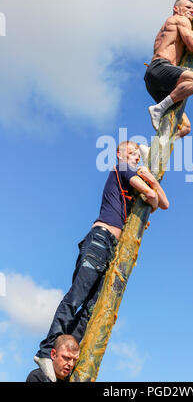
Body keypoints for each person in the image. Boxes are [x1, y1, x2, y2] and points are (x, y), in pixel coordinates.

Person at [33, 141, 169, 381]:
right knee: (76, 298)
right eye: (131, 153)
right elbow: (152, 197)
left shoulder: (133, 179)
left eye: (138, 155)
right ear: (119, 154)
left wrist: (152, 182)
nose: (135, 158)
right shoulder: (122, 168)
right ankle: (45, 352)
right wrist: (149, 184)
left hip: (110, 248)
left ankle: (67, 359)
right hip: (100, 240)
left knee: (90, 310)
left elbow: (163, 204)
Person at [144, 0, 193, 138]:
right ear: (177, 9)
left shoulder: (173, 25)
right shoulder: (180, 19)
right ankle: (158, 109)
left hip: (155, 78)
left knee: (185, 127)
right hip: (161, 67)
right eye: (188, 7)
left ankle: (155, 148)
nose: (191, 11)